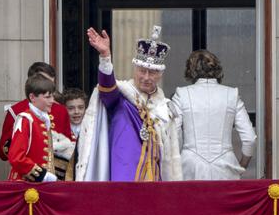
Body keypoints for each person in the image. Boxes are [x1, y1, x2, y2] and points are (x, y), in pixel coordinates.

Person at [76, 25, 182, 182]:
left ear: (160, 74)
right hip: (123, 180)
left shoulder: (165, 109)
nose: (146, 77)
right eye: (142, 70)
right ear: (135, 70)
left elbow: (171, 158)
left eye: (152, 72)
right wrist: (105, 56)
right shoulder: (122, 97)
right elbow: (107, 89)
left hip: (155, 182)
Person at [171, 50, 256, 180]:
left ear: (190, 70)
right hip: (226, 166)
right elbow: (250, 139)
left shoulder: (181, 94)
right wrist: (242, 165)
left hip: (190, 166)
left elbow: (175, 135)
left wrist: (178, 161)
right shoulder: (232, 94)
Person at [0, 62, 75, 174]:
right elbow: (3, 152)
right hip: (28, 174)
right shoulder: (16, 111)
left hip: (57, 174)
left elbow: (69, 146)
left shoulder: (61, 110)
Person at [7, 75, 61, 182]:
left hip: (39, 186)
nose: (52, 101)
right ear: (32, 97)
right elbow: (16, 157)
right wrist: (42, 175)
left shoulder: (43, 119)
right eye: (47, 97)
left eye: (52, 97)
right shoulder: (25, 119)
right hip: (24, 184)